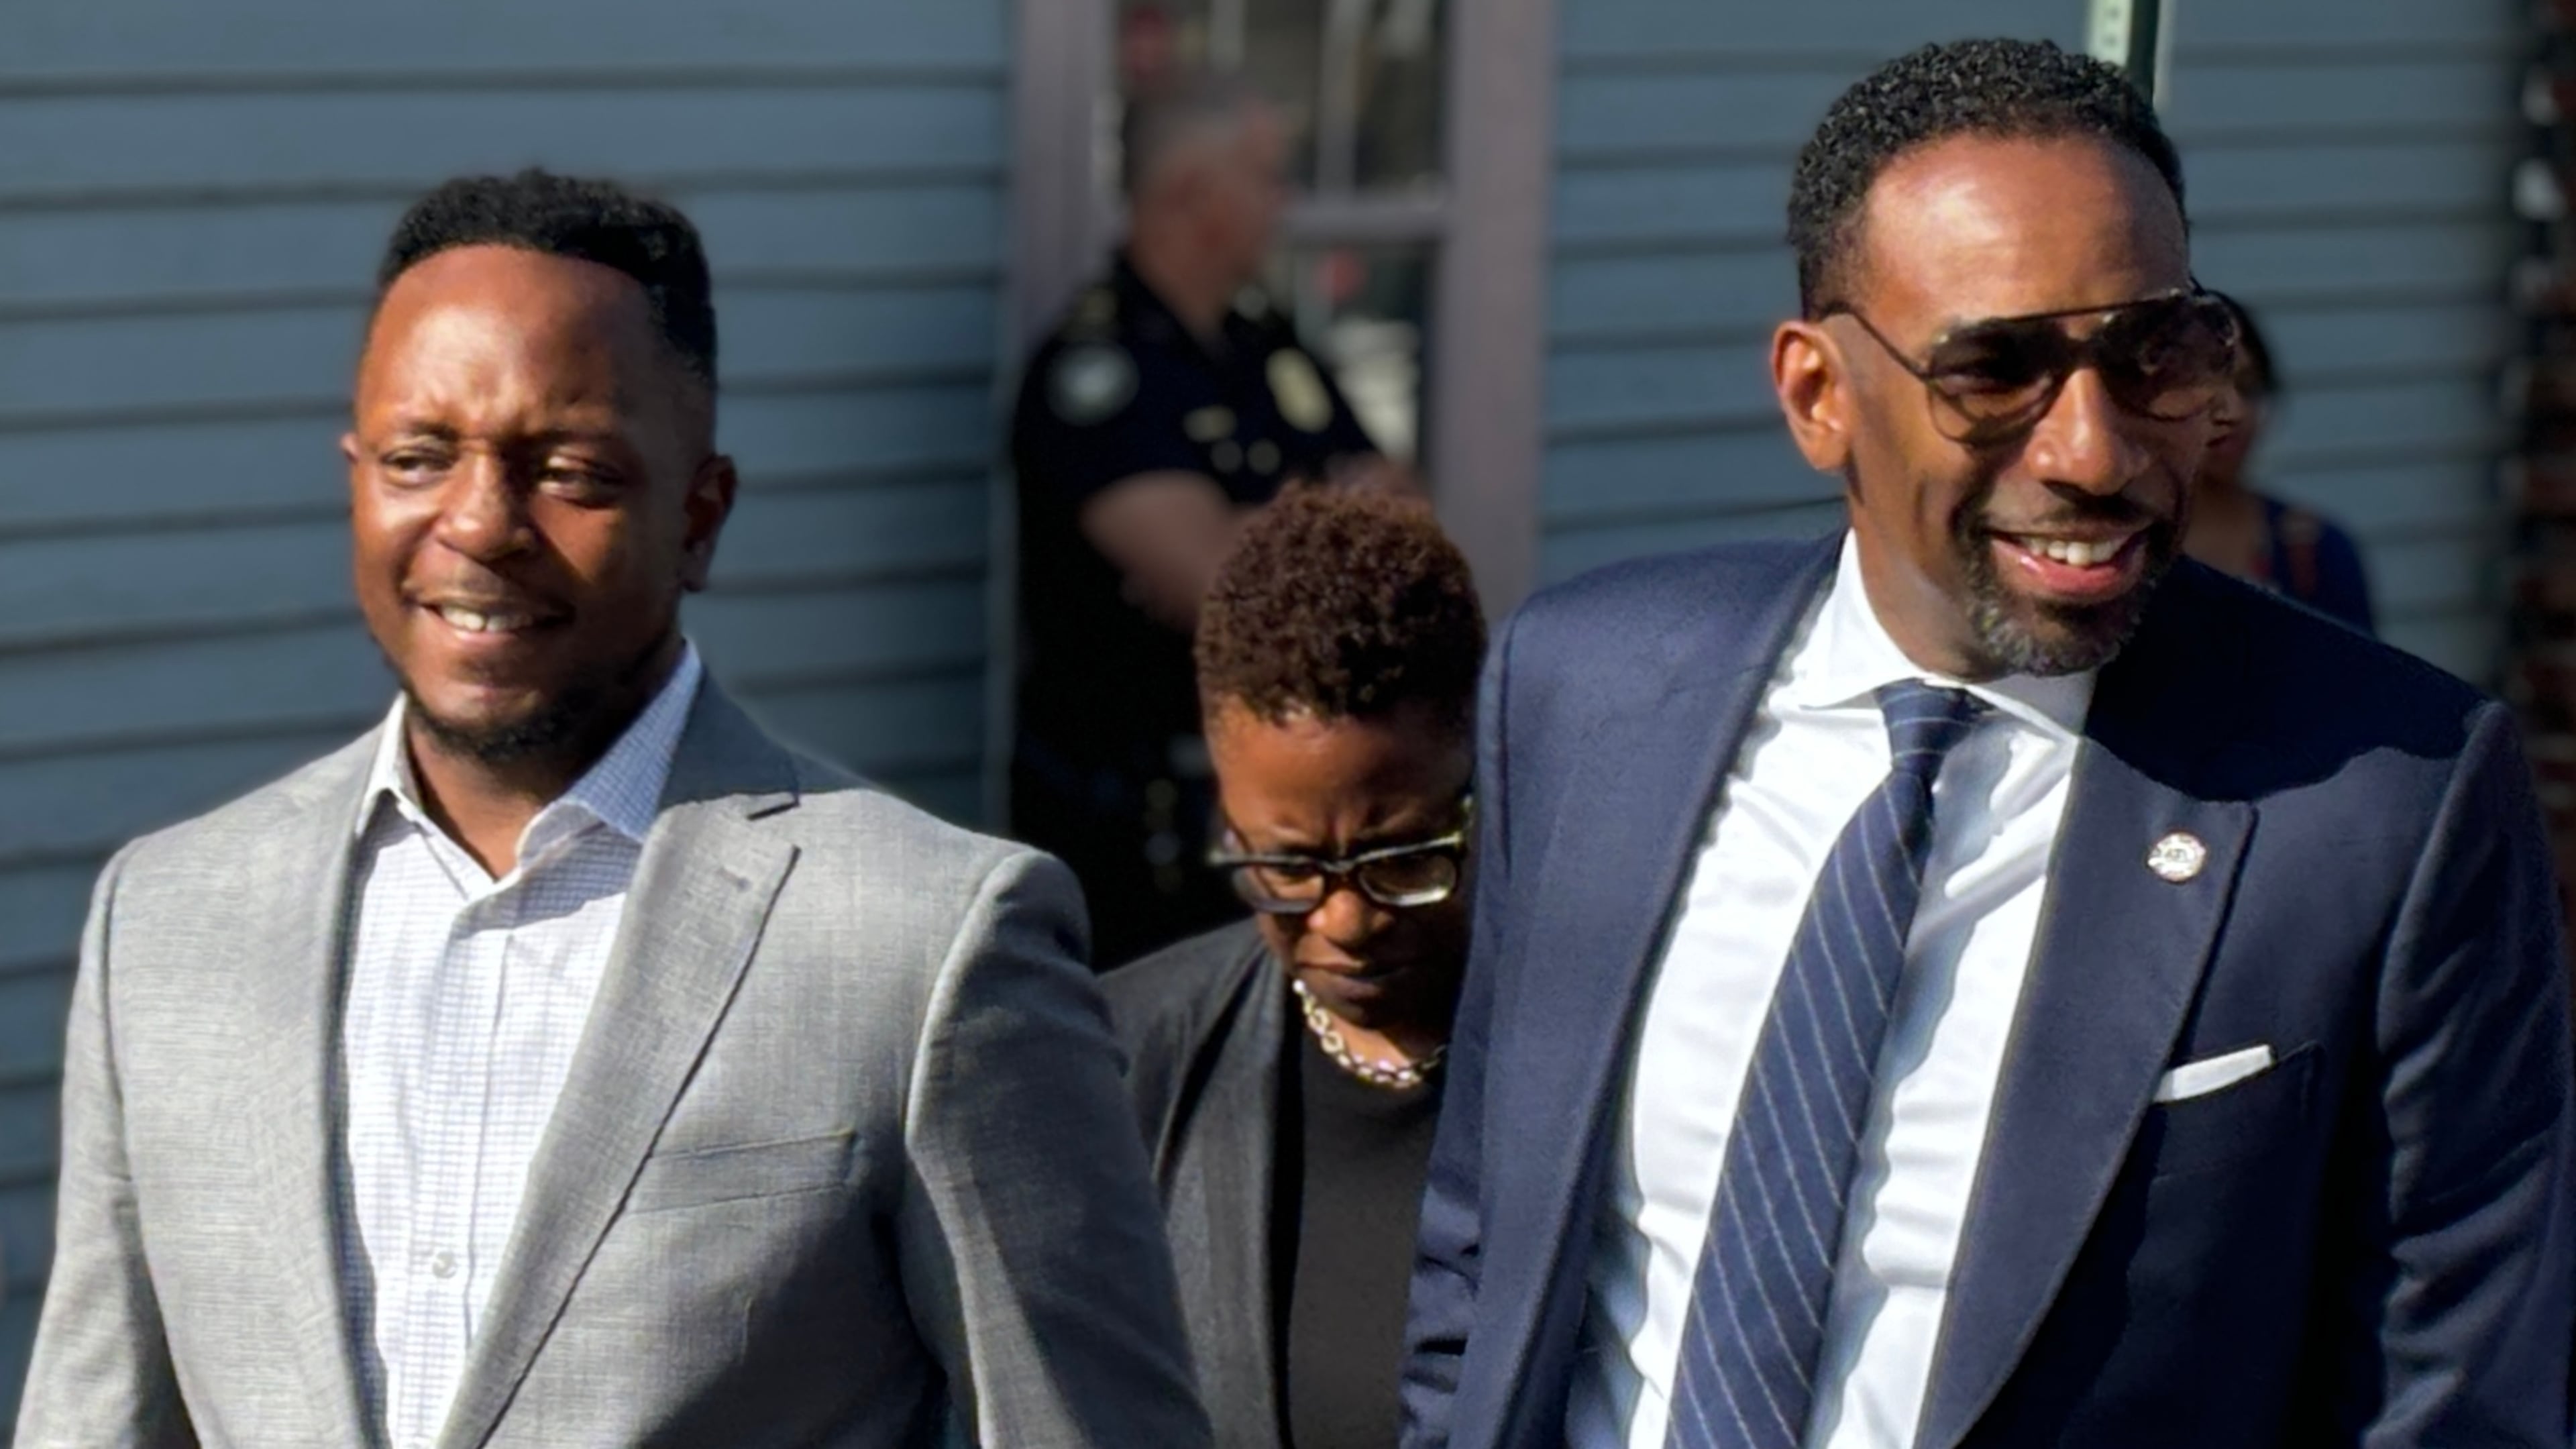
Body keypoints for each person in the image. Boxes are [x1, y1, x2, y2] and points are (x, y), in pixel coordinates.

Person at [1401, 39, 2573, 1449]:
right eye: (1997, 369)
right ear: (1817, 393)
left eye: (2154, 355)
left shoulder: (2387, 797)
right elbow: (1486, 1257)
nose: (2092, 448)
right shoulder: (1582, 693)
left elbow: (2453, 1401)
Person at [16, 170, 1210, 1449]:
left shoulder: (928, 941)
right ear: (356, 478)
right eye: (419, 458)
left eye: (568, 472)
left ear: (699, 516)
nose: (478, 524)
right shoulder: (171, 922)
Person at [1104, 488, 1484, 1448]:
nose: (1347, 920)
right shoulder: (1122, 1068)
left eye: (1402, 857)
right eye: (1288, 866)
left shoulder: (1605, 1055)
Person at [1011, 68, 1403, 969]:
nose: (1285, 202)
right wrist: (1331, 517)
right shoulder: (1102, 373)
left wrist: (1268, 525)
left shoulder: (1264, 345)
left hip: (1274, 810)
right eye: (1266, 176)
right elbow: (1220, 589)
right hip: (1136, 835)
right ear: (1194, 192)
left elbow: (1404, 503)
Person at [2182, 292, 2375, 633]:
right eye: (2205, 388)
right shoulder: (2120, 551)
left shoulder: (2313, 550)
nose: (2235, 412)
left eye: (2249, 388)